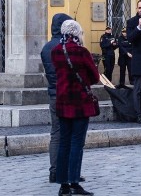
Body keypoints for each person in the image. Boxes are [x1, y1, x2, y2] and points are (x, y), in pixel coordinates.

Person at [50, 19, 99, 196]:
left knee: (64, 142)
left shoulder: (56, 52)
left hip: (62, 102)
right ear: (77, 32)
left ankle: (63, 185)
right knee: (77, 144)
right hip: (80, 103)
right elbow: (94, 77)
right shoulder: (82, 51)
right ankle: (74, 181)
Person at [41, 12, 73, 184]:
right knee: (70, 135)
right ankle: (67, 171)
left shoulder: (46, 48)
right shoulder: (65, 46)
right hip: (67, 95)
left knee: (56, 134)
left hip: (53, 94)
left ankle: (54, 172)